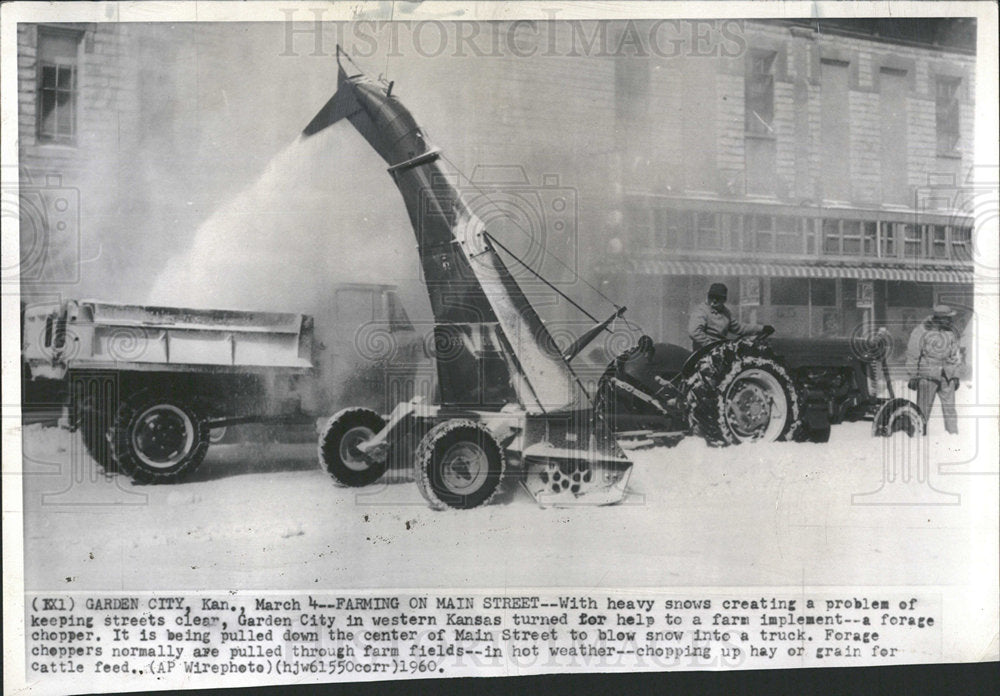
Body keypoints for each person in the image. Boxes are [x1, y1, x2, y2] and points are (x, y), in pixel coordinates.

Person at [905, 304, 962, 435]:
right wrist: (913, 376)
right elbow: (913, 355)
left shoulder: (951, 332)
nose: (950, 321)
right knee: (922, 409)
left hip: (947, 374)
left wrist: (956, 375)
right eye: (948, 318)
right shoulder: (921, 331)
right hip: (927, 375)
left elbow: (955, 355)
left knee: (950, 409)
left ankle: (953, 437)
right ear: (939, 318)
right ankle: (919, 434)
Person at [688, 282, 773, 351]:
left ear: (724, 299)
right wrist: (711, 346)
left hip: (721, 350)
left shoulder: (725, 312)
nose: (714, 300)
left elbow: (739, 328)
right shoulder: (701, 311)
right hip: (704, 352)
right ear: (707, 295)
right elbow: (694, 332)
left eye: (718, 298)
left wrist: (761, 328)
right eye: (711, 296)